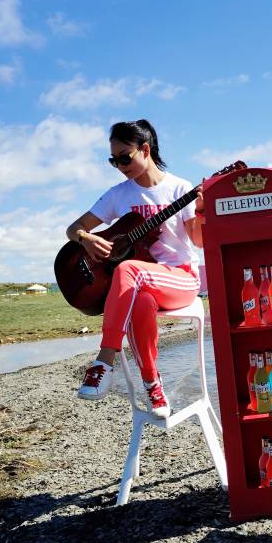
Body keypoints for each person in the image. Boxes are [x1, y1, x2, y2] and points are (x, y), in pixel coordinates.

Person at [65, 118, 204, 418]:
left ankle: (104, 361)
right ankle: (153, 385)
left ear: (145, 149)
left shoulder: (180, 188)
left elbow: (199, 240)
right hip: (142, 285)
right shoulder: (118, 195)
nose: (119, 165)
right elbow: (74, 228)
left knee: (128, 269)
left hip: (181, 278)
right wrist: (86, 239)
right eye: (113, 160)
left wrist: (204, 211)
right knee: (139, 302)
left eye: (124, 157)